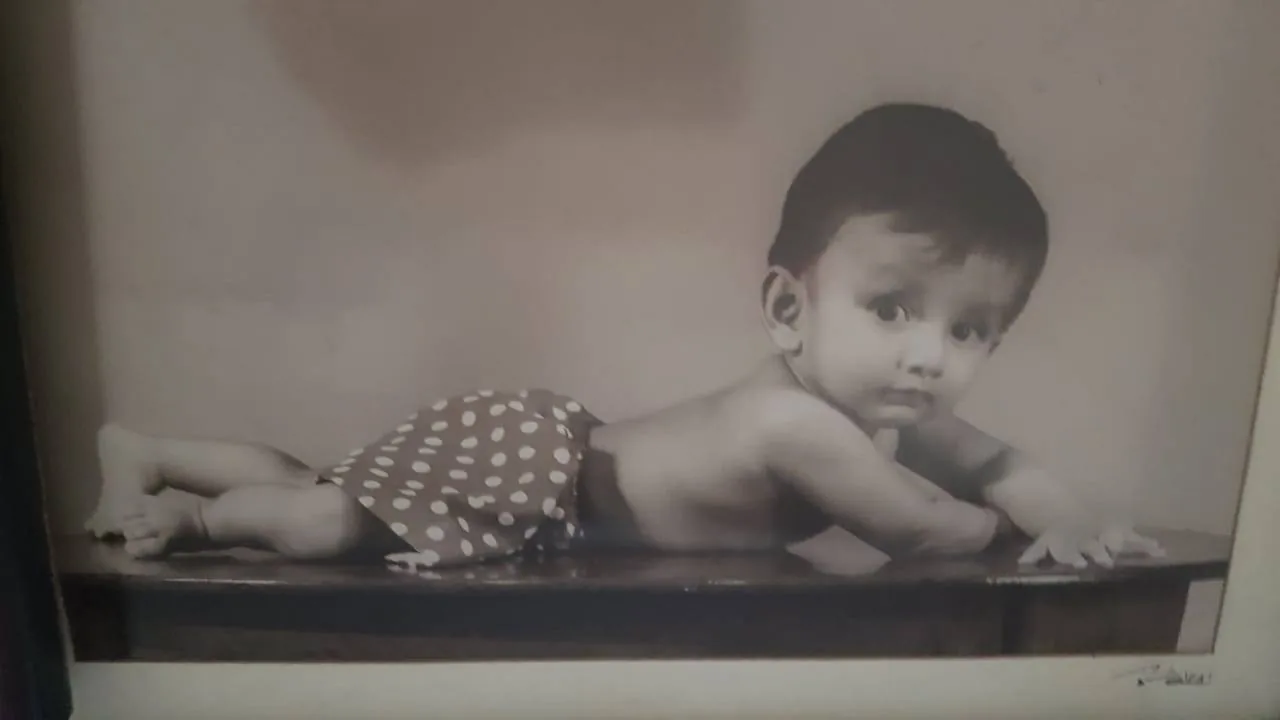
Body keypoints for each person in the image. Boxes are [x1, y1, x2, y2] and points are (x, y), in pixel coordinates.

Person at [85, 102, 1164, 571]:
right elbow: (928, 530)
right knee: (327, 526)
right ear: (789, 309)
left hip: (555, 459)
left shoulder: (873, 402)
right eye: (892, 309)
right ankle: (193, 524)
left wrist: (1062, 509)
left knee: (338, 488)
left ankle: (152, 449)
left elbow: (985, 459)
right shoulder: (796, 421)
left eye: (972, 329)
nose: (929, 357)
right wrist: (1031, 531)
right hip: (544, 471)